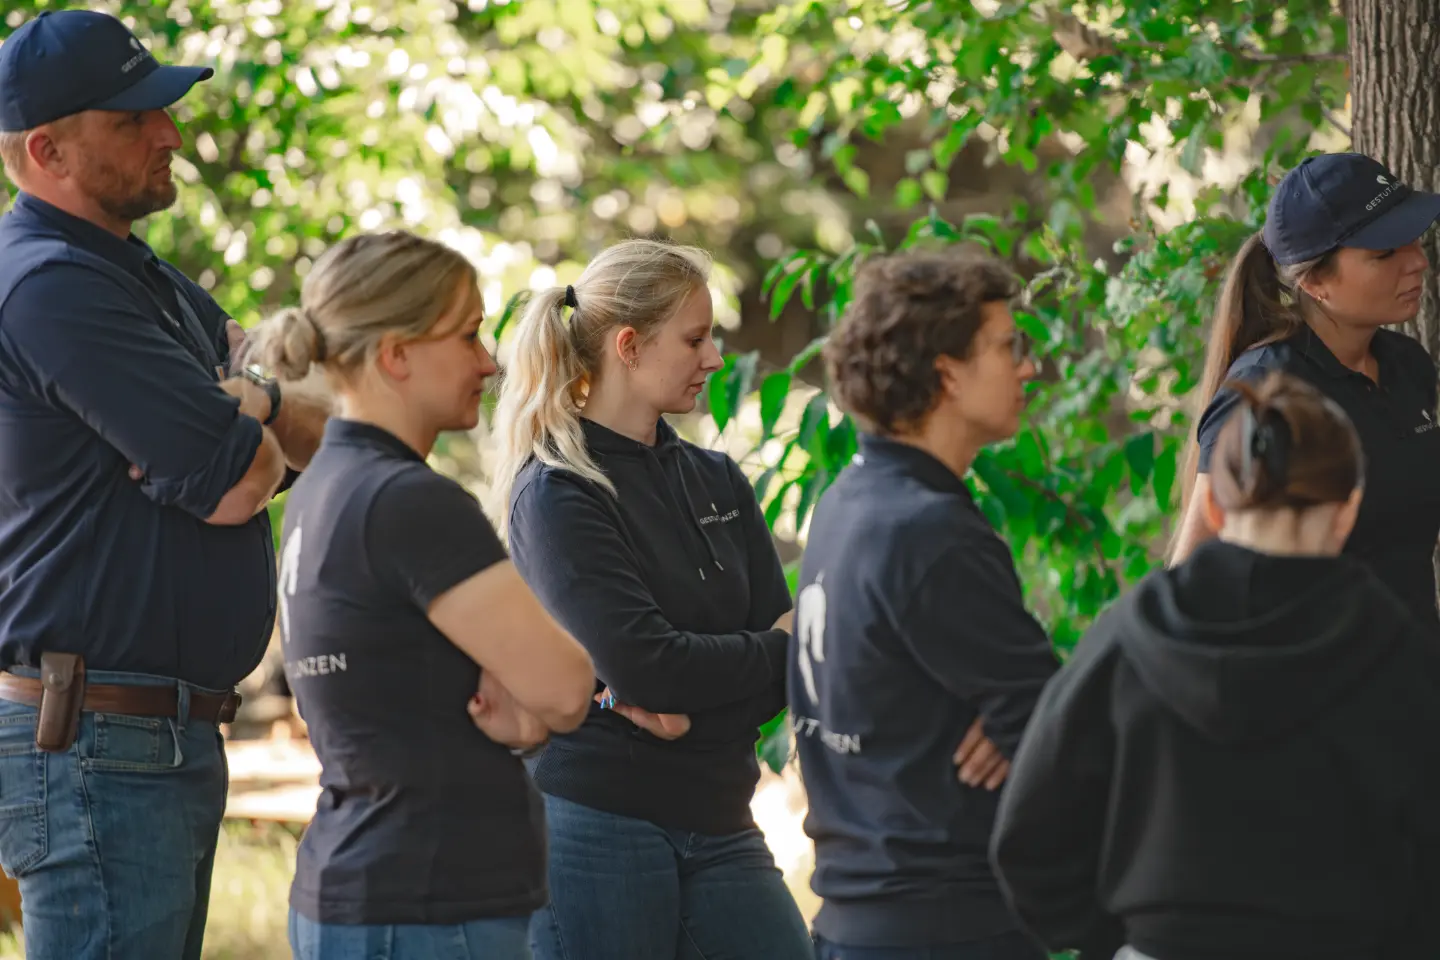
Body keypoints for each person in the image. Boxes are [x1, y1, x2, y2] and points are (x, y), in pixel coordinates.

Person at [0, 11, 327, 959]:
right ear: (49, 149)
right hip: (99, 743)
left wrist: (251, 399)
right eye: (135, 118)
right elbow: (235, 482)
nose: (172, 133)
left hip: (155, 739)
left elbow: (316, 425)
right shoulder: (52, 284)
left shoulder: (143, 277)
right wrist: (255, 417)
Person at [992, 371, 1440, 960]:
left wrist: (1118, 942)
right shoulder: (1398, 649)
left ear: (1215, 504)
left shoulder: (1126, 637)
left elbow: (1028, 840)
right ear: (1348, 507)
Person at [246, 229, 597, 960]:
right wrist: (530, 700)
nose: (489, 360)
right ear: (394, 354)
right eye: (467, 335)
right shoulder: (408, 501)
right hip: (429, 900)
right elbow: (565, 688)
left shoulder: (324, 486)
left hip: (364, 883)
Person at [490, 239, 814, 960]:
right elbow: (649, 666)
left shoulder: (717, 477)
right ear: (629, 346)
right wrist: (767, 651)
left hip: (723, 818)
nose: (716, 359)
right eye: (696, 339)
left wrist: (681, 696)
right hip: (597, 823)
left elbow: (784, 667)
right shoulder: (556, 491)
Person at [790, 251, 1060, 960]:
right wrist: (1028, 710)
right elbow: (1055, 716)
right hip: (944, 930)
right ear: (946, 374)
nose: (1028, 368)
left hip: (860, 920)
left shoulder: (846, 503)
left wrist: (1020, 709)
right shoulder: (928, 532)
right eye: (1008, 349)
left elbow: (1026, 703)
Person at [1169, 152, 1440, 630]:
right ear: (1315, 282)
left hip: (1410, 681)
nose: (1418, 260)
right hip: (1312, 694)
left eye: (1413, 239)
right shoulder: (1266, 391)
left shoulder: (1407, 367)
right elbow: (1190, 587)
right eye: (1385, 253)